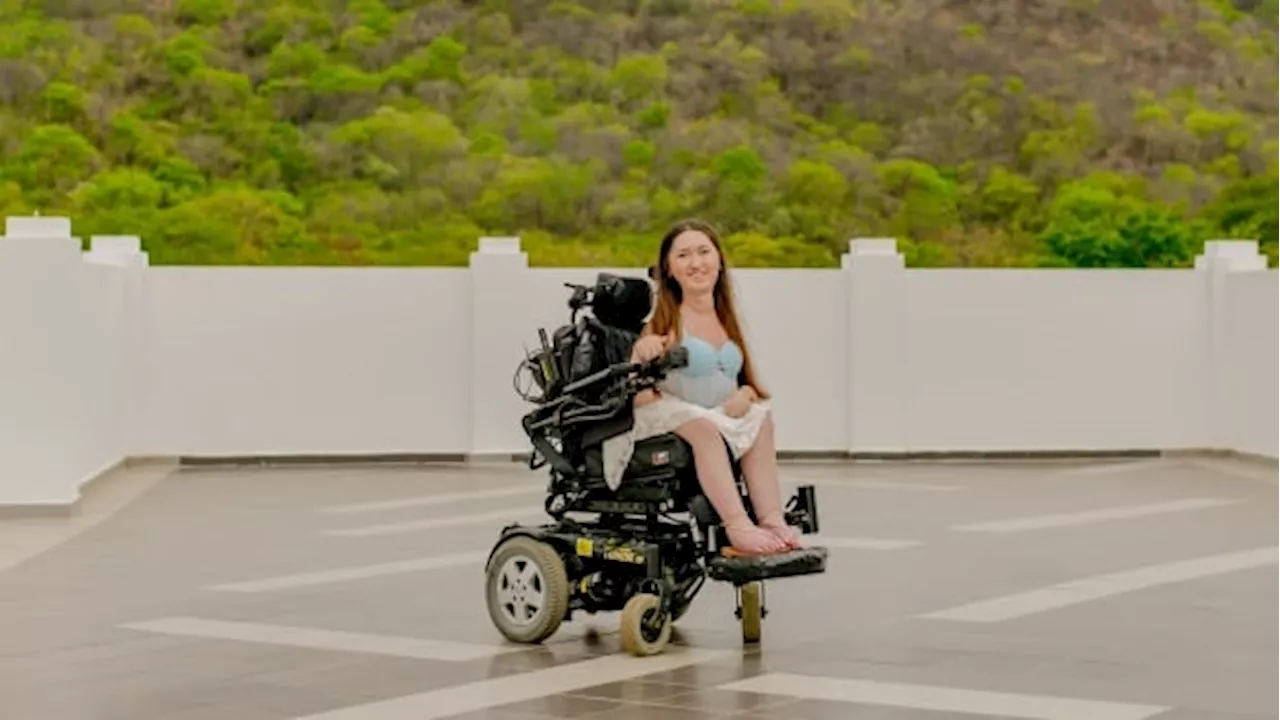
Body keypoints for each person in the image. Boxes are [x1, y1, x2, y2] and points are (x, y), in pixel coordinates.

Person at [625, 219, 800, 556]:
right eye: (684, 256)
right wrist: (642, 351)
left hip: (711, 412)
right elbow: (640, 382)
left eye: (704, 252)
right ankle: (736, 524)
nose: (696, 263)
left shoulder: (726, 318)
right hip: (666, 415)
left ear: (719, 261)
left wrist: (745, 395)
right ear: (669, 269)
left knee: (762, 418)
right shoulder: (665, 321)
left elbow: (746, 383)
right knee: (704, 428)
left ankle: (772, 518)